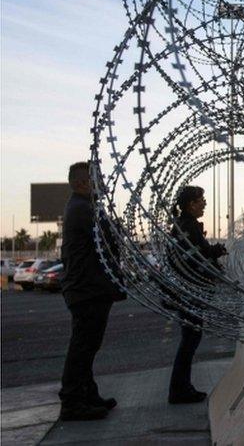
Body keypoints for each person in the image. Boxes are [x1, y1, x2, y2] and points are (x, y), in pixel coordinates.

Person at [59, 161, 126, 420]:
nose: (102, 184)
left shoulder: (83, 207)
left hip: (88, 288)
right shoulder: (82, 210)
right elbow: (111, 238)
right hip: (87, 290)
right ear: (81, 183)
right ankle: (72, 402)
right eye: (96, 179)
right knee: (83, 348)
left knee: (87, 346)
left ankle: (87, 393)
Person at [168, 185, 227, 404]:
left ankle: (182, 387)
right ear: (191, 204)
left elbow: (197, 254)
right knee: (190, 340)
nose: (204, 203)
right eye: (201, 200)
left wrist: (213, 252)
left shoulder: (183, 225)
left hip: (187, 290)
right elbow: (197, 258)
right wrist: (216, 253)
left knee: (190, 339)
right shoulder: (188, 226)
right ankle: (179, 389)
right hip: (191, 290)